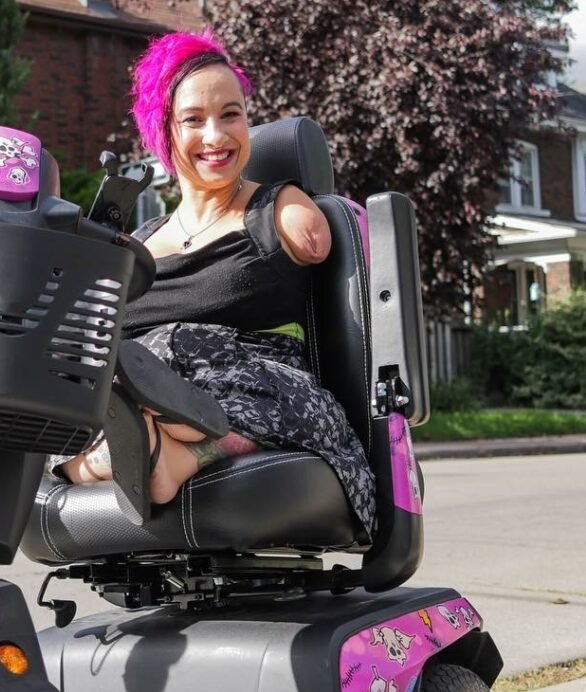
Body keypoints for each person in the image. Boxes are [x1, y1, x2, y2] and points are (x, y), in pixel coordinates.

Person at [57, 30, 375, 534]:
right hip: (139, 387)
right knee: (98, 379)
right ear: (163, 132)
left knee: (179, 361)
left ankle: (153, 444)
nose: (216, 136)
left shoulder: (278, 209)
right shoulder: (138, 242)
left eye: (231, 114)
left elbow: (317, 242)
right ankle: (147, 445)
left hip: (260, 389)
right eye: (193, 120)